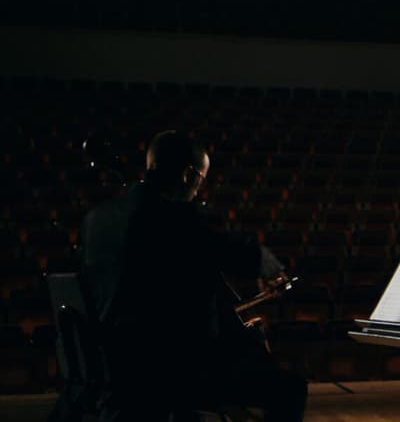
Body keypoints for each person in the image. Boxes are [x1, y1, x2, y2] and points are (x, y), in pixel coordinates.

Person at [79, 130, 307, 421]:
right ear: (188, 175)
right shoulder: (171, 217)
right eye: (200, 180)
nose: (198, 191)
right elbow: (221, 246)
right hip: (164, 374)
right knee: (289, 390)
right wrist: (265, 261)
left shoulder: (95, 221)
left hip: (109, 372)